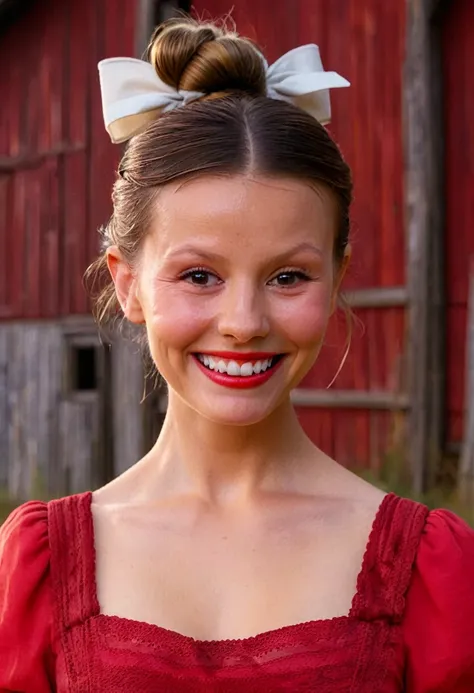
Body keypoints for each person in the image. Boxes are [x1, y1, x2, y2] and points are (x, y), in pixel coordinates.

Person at [1, 16, 474, 693]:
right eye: (199, 275)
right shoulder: (37, 573)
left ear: (336, 279)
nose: (245, 323)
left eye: (288, 276)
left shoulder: (433, 571)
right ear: (127, 282)